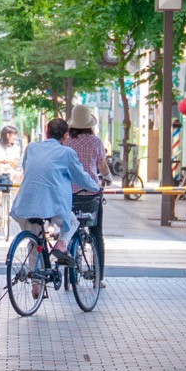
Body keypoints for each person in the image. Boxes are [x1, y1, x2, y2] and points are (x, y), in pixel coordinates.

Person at [10, 118, 100, 264]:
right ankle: (61, 244)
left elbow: (28, 170)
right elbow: (80, 177)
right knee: (72, 221)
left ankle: (36, 284)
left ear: (46, 133)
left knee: (35, 243)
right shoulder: (67, 153)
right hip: (53, 205)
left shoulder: (31, 148)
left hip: (25, 203)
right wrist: (96, 187)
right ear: (65, 136)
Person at [63, 104, 110, 269]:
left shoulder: (66, 143)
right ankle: (99, 276)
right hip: (91, 194)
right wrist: (108, 177)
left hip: (70, 195)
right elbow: (103, 167)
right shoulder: (96, 142)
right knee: (97, 233)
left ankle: (71, 260)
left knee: (70, 228)